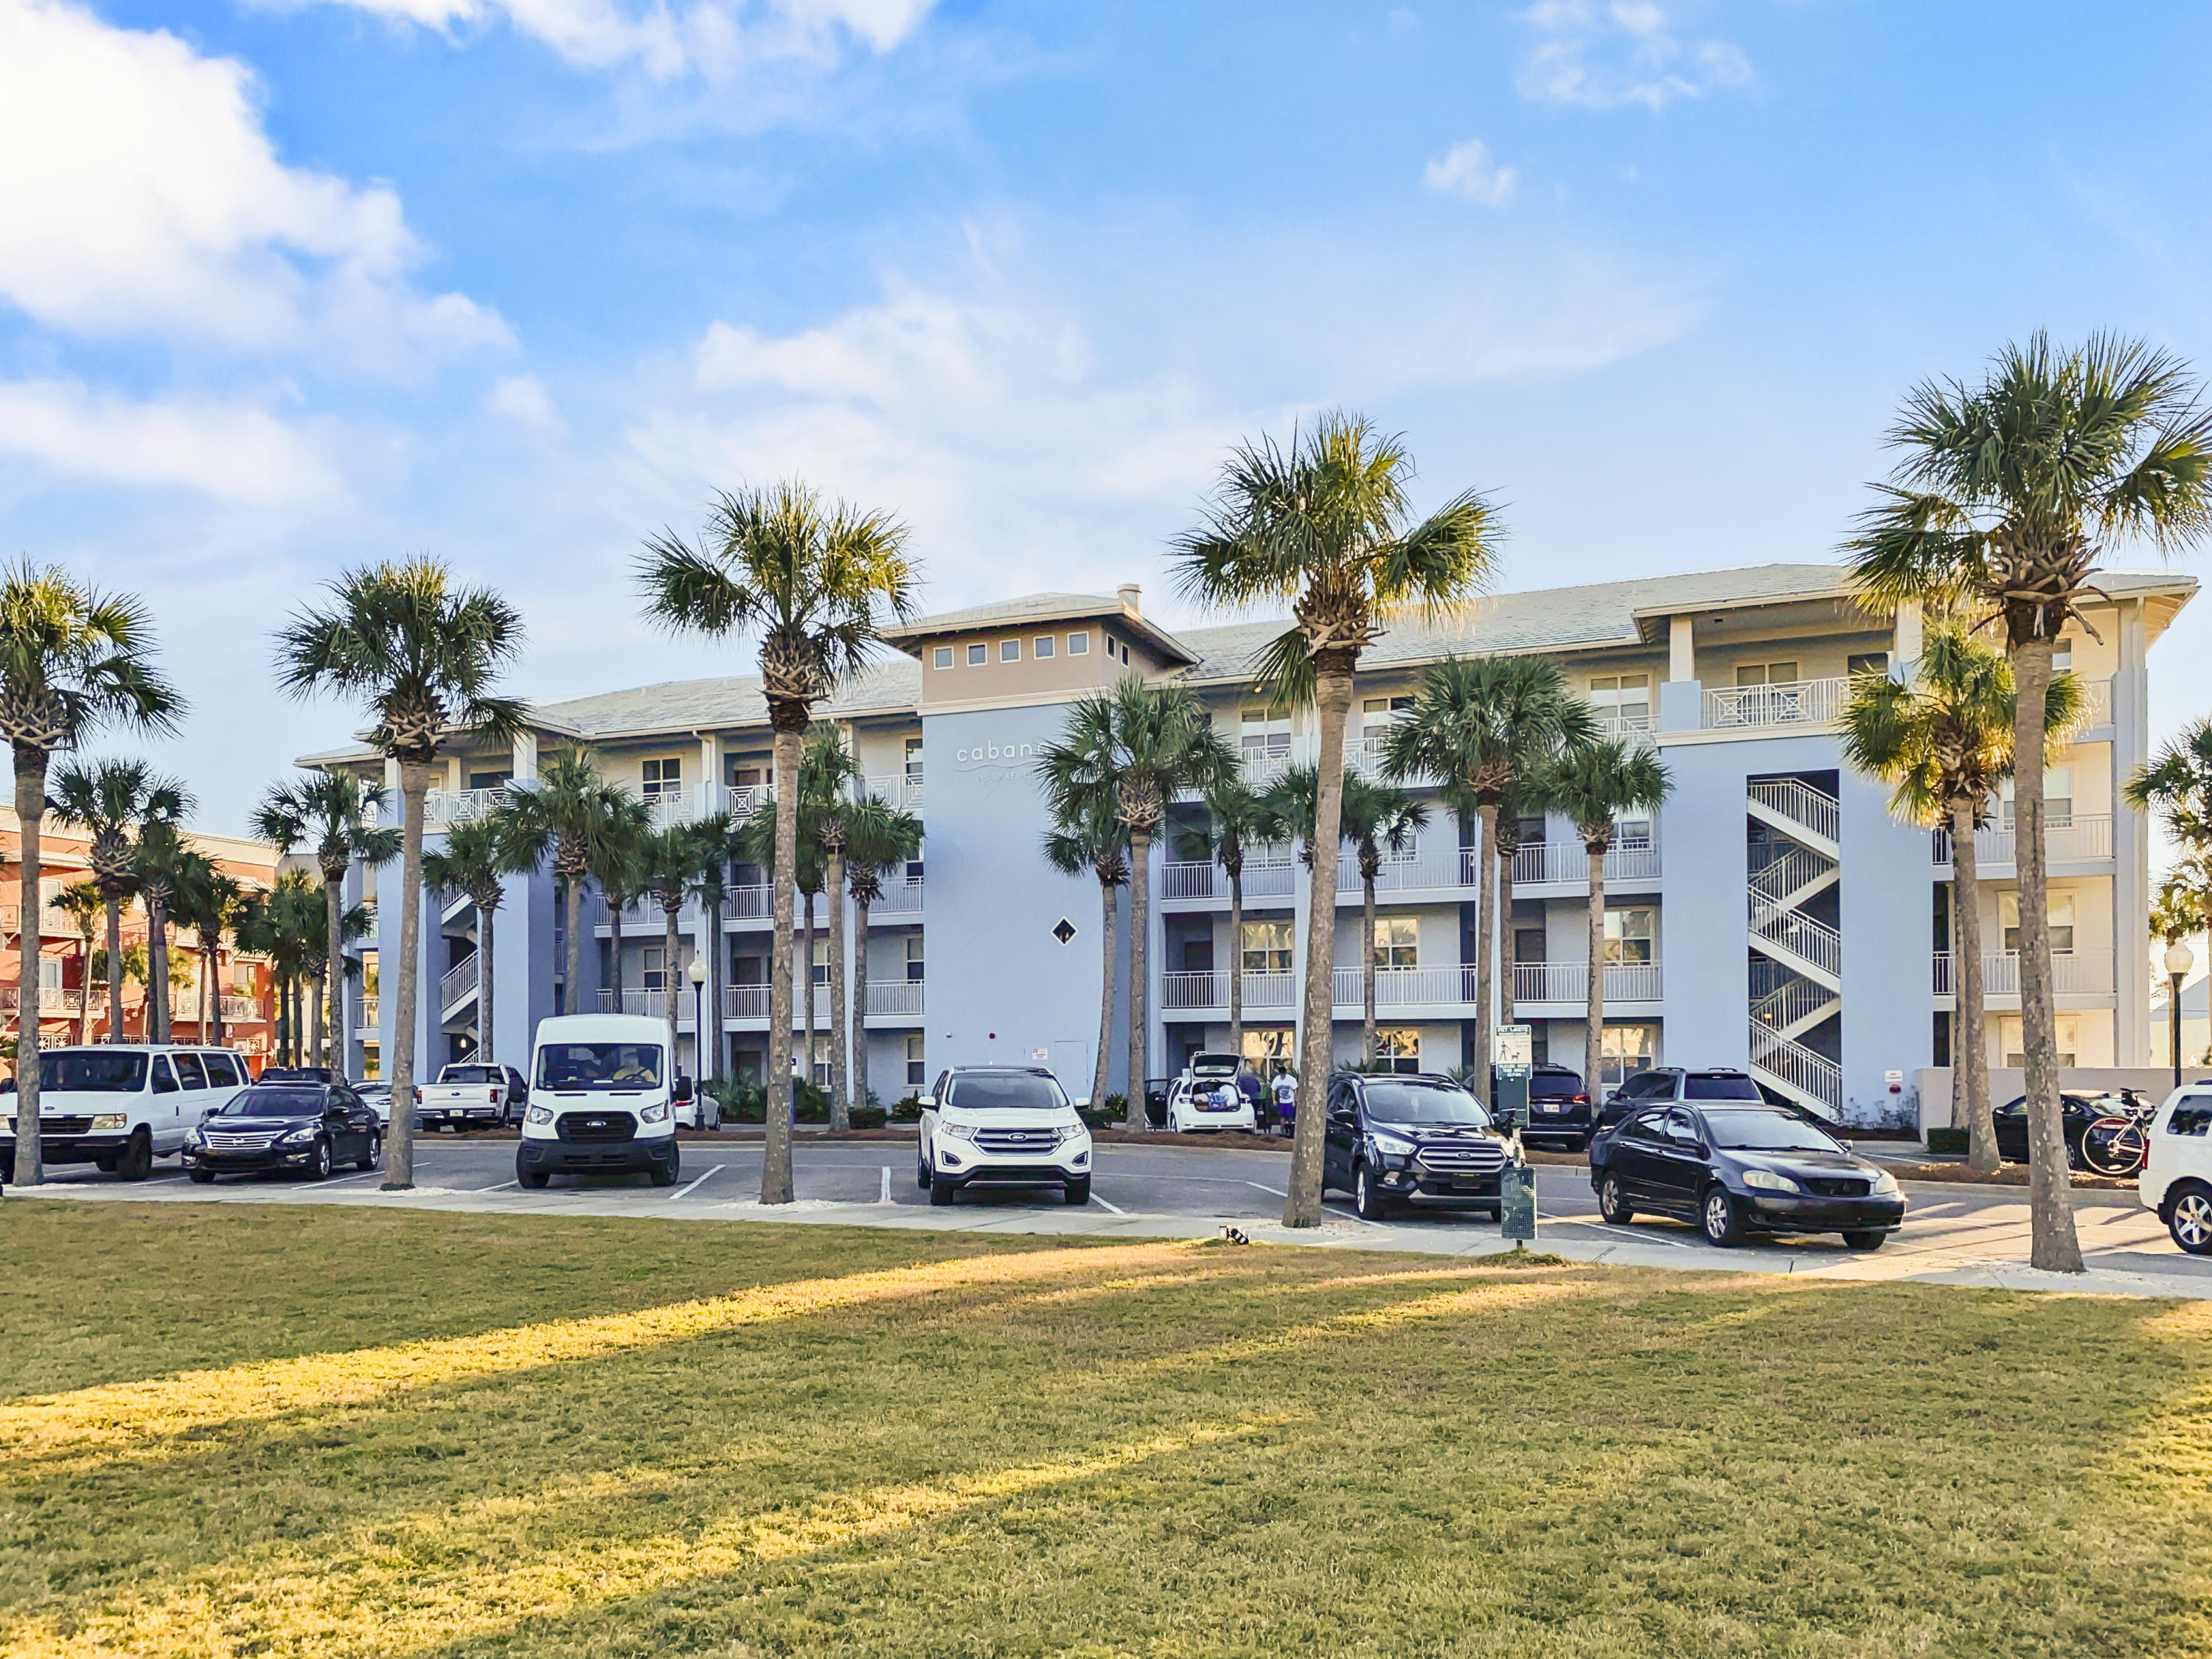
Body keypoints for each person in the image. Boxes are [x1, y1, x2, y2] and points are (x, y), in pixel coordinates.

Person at [1271, 1064, 1297, 1136]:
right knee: (1282, 1118)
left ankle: (1290, 1132)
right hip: (1282, 1102)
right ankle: (1282, 1132)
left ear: (1286, 1073)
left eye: (1284, 1075)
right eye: (1281, 1075)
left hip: (1290, 1102)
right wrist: (1274, 1100)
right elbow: (1273, 1090)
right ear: (1279, 1074)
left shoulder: (1291, 1079)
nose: (1283, 1076)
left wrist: (1294, 1101)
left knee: (1290, 1118)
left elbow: (1295, 1090)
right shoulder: (1277, 1079)